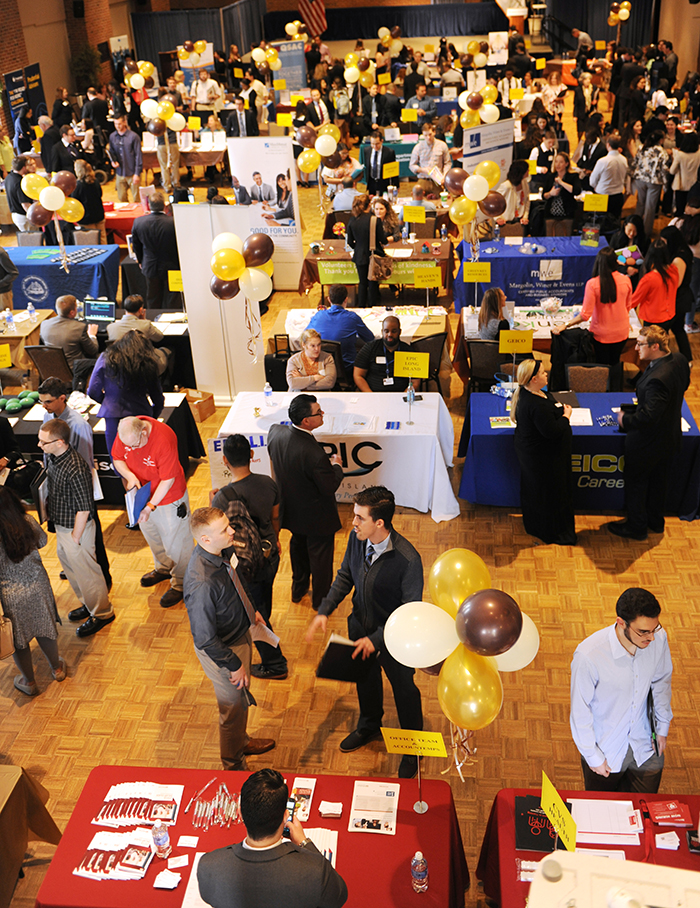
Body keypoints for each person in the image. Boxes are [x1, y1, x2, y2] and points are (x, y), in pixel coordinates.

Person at [307, 486, 424, 778]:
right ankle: (369, 726)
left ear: (379, 523)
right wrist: (325, 609)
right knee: (366, 682)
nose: (353, 523)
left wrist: (376, 641)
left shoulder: (408, 560)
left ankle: (413, 748)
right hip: (359, 627)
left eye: (359, 517)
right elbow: (346, 574)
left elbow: (408, 612)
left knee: (405, 691)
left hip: (394, 640)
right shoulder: (357, 539)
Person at [184, 507, 276, 769]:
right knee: (232, 708)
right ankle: (233, 764)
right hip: (224, 651)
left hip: (239, 634)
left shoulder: (223, 550)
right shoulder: (201, 583)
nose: (232, 531)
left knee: (240, 699)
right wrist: (234, 665)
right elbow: (205, 638)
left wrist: (251, 609)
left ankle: (241, 741)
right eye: (225, 529)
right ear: (205, 540)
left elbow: (237, 578)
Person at [197, 768, 348, 908]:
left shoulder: (208, 865)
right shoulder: (315, 870)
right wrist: (304, 843)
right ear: (285, 816)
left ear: (241, 813)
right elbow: (339, 897)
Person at [570, 588, 672, 792]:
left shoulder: (658, 639)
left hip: (646, 747)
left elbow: (661, 680)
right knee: (603, 814)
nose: (651, 637)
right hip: (606, 752)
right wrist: (592, 756)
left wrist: (662, 727)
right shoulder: (589, 656)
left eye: (655, 628)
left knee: (644, 812)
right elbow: (580, 711)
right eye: (643, 631)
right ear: (621, 622)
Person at [211, 436, 288, 681]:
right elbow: (275, 518)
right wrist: (274, 539)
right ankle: (267, 631)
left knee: (254, 612)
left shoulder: (223, 497)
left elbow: (219, 533)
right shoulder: (268, 483)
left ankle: (275, 664)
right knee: (263, 600)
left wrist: (211, 502)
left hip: (245, 564)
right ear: (252, 455)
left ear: (225, 461)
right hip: (270, 555)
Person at [607, 326, 690, 539]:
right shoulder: (679, 359)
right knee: (658, 483)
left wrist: (624, 418)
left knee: (637, 484)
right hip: (669, 437)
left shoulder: (657, 379)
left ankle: (636, 527)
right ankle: (655, 521)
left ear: (655, 346)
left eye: (640, 344)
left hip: (648, 444)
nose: (636, 348)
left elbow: (647, 418)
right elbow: (684, 386)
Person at [38, 418, 115, 637]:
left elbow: (85, 507)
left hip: (76, 529)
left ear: (60, 442)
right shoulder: (54, 458)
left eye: (44, 442)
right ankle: (89, 605)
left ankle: (102, 613)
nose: (39, 446)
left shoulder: (76, 467)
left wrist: (75, 537)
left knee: (88, 573)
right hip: (62, 527)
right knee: (73, 571)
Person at [267, 395, 343, 612]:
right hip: (317, 516)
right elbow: (329, 486)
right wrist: (337, 466)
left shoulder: (275, 432)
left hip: (290, 510)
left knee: (298, 548)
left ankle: (298, 589)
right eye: (318, 412)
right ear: (306, 421)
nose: (323, 414)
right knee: (321, 559)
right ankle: (321, 601)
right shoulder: (314, 454)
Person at [38, 376, 112, 588]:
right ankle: (75, 565)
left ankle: (103, 579)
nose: (44, 406)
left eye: (49, 401)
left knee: (91, 536)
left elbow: (84, 463)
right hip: (57, 486)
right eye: (41, 401)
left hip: (78, 489)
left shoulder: (79, 425)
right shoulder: (47, 416)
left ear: (62, 398)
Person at [112, 416, 194, 608]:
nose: (130, 450)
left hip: (168, 497)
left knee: (177, 543)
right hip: (143, 494)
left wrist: (151, 507)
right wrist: (130, 475)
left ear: (144, 432)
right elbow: (117, 458)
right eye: (127, 446)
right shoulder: (126, 432)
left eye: (134, 445)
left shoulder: (164, 438)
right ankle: (164, 568)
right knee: (152, 535)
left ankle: (182, 583)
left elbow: (168, 479)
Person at [0, 486, 65, 696]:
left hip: (11, 593)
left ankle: (29, 682)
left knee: (19, 639)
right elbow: (43, 541)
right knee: (45, 626)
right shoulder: (26, 522)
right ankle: (57, 668)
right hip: (38, 585)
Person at [511, 359, 576, 545]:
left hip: (534, 454)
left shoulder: (532, 393)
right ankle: (549, 531)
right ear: (533, 379)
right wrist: (566, 417)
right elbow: (553, 432)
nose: (546, 374)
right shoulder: (535, 405)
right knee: (546, 494)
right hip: (542, 459)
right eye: (542, 373)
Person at [554, 246, 634, 373]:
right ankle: (615, 385)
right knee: (615, 362)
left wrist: (566, 324)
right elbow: (628, 306)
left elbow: (585, 315)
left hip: (601, 335)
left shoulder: (593, 284)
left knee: (601, 367)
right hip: (622, 333)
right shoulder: (626, 280)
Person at [87, 330, 164, 458]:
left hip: (112, 416)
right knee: (143, 460)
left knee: (119, 460)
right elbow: (158, 398)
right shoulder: (147, 363)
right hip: (141, 416)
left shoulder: (105, 358)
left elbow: (93, 391)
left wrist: (108, 401)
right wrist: (152, 417)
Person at [631, 239, 689, 360]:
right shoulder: (673, 271)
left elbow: (633, 301)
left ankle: (648, 371)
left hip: (652, 319)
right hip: (668, 316)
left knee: (649, 349)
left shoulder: (649, 279)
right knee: (660, 346)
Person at [131, 192, 181, 309]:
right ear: (164, 205)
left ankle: (154, 320)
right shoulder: (174, 222)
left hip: (150, 265)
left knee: (153, 297)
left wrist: (140, 261)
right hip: (172, 265)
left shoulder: (139, 222)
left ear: (149, 206)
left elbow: (136, 245)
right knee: (173, 297)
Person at [308, 284, 374, 373]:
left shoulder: (318, 315)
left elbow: (305, 336)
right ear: (346, 299)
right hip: (346, 368)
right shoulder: (353, 318)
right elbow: (370, 338)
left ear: (329, 299)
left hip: (322, 368)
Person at [107, 293, 170, 376]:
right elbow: (159, 337)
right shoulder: (145, 325)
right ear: (141, 310)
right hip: (142, 364)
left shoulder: (110, 327)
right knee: (168, 350)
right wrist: (144, 320)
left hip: (119, 365)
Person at [354, 316, 421, 394]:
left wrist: (404, 396)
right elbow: (358, 375)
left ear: (400, 332)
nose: (390, 334)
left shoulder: (408, 351)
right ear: (382, 331)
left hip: (400, 396)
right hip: (374, 394)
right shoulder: (370, 348)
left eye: (394, 331)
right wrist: (370, 395)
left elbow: (415, 381)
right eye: (386, 331)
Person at [346, 193, 386, 309]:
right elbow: (382, 239)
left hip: (359, 256)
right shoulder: (374, 220)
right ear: (369, 206)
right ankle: (373, 306)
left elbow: (349, 242)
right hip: (373, 255)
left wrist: (358, 248)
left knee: (362, 282)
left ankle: (361, 307)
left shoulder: (352, 220)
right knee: (372, 282)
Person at [39, 294, 99, 370]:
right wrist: (92, 335)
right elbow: (93, 351)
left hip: (52, 369)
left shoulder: (44, 324)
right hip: (75, 370)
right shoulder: (79, 327)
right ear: (72, 312)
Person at [632, 131, 670, 237]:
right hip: (654, 182)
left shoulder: (641, 148)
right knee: (650, 207)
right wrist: (666, 185)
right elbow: (664, 170)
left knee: (640, 204)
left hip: (640, 179)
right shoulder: (662, 152)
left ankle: (634, 227)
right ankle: (645, 233)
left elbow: (635, 163)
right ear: (661, 140)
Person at [589, 136, 628, 219]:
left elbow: (592, 181)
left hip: (602, 195)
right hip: (618, 195)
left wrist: (595, 187)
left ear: (608, 145)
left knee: (601, 222)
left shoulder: (603, 161)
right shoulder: (624, 159)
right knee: (615, 222)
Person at [542, 152, 581, 236]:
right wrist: (550, 193)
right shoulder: (551, 176)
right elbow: (543, 195)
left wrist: (561, 182)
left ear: (566, 164)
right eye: (556, 161)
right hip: (551, 214)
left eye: (561, 162)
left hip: (567, 214)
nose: (558, 164)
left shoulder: (573, 176)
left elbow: (576, 191)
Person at [108, 115, 142, 203]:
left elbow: (138, 155)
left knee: (136, 198)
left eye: (119, 124)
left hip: (132, 172)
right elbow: (112, 152)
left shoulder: (134, 137)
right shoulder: (112, 137)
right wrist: (113, 161)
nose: (117, 126)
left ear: (124, 122)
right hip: (120, 172)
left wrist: (137, 173)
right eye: (115, 124)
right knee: (121, 197)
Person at [72, 159, 106, 244]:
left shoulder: (78, 185)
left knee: (91, 241)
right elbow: (100, 194)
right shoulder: (95, 181)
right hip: (98, 214)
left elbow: (75, 201)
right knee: (102, 238)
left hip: (86, 218)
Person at [670, 132, 700, 218]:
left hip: (681, 186)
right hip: (695, 185)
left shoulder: (680, 155)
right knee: (692, 210)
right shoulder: (699, 154)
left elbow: (672, 171)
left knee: (680, 210)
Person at [5, 156, 39, 232]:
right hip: (24, 217)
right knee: (33, 241)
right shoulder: (20, 182)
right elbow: (25, 205)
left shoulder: (9, 177)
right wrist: (35, 216)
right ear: (24, 167)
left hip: (15, 214)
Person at [495, 159, 530, 232]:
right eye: (527, 170)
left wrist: (525, 216)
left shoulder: (524, 183)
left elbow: (527, 200)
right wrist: (497, 218)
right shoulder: (506, 186)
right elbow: (494, 202)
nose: (528, 171)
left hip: (519, 222)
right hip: (505, 223)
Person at [365, 131, 396, 197]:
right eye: (372, 143)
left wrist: (396, 185)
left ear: (381, 141)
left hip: (383, 182)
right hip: (372, 182)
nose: (374, 146)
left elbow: (394, 170)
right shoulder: (367, 151)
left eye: (377, 144)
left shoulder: (389, 152)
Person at [573, 73, 599, 138]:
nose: (588, 81)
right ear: (582, 81)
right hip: (581, 113)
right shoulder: (578, 90)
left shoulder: (594, 87)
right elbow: (576, 104)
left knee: (590, 131)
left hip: (591, 113)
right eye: (586, 79)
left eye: (589, 79)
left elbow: (597, 96)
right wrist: (575, 115)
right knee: (580, 132)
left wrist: (595, 101)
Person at [0, 246, 19, 311]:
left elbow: (13, 273)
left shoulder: (1, 254)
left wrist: (1, 284)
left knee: (6, 318)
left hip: (2, 294)